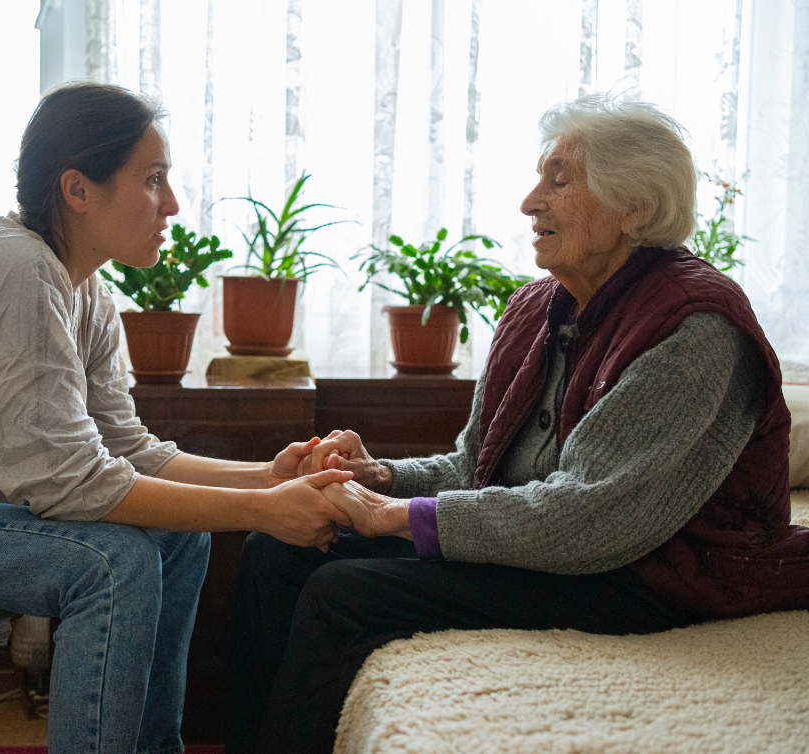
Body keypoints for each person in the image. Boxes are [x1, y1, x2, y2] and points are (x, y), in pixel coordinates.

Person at [228, 94, 809, 754]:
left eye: (558, 180)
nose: (530, 202)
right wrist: (376, 478)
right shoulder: (539, 308)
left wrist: (390, 516)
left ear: (634, 208)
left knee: (344, 594)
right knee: (279, 548)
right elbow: (476, 468)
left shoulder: (696, 328)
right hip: (560, 548)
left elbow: (591, 518)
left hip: (653, 574)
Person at [0, 82, 353, 754]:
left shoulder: (80, 287)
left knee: (181, 537)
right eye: (153, 179)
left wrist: (266, 479)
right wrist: (261, 512)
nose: (173, 204)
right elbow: (69, 485)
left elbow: (126, 449)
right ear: (77, 189)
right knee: (110, 561)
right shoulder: (18, 273)